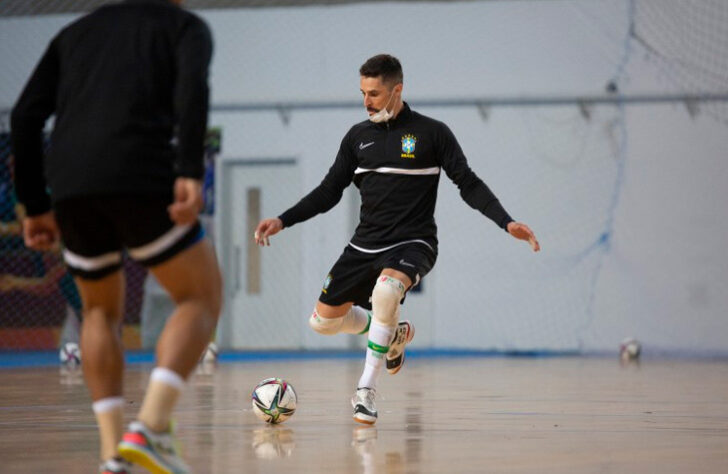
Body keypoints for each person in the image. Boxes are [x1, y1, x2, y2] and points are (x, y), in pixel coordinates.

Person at [255, 54, 540, 425]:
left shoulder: (432, 133)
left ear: (397, 90)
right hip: (363, 245)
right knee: (322, 323)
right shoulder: (357, 138)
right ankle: (392, 334)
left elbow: (467, 183)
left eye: (374, 93)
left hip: (414, 242)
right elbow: (328, 192)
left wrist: (507, 222)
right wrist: (282, 219)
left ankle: (365, 391)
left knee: (387, 292)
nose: (366, 101)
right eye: (362, 93)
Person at [10, 1, 221, 473]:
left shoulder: (73, 34)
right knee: (201, 295)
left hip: (70, 185)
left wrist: (35, 204)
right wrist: (189, 169)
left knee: (99, 310)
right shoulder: (185, 26)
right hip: (139, 172)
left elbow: (24, 116)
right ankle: (148, 427)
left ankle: (112, 457)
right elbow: (191, 92)